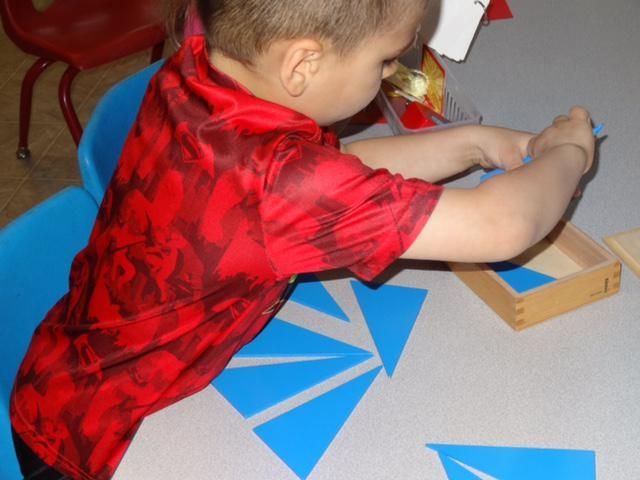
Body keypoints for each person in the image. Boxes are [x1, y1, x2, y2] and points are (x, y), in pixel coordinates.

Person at [10, 0, 596, 478]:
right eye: (387, 60)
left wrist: (479, 144)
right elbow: (504, 225)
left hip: (65, 374)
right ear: (302, 66)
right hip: (86, 443)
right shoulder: (276, 184)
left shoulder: (197, 76)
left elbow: (335, 171)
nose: (392, 75)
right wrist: (570, 153)